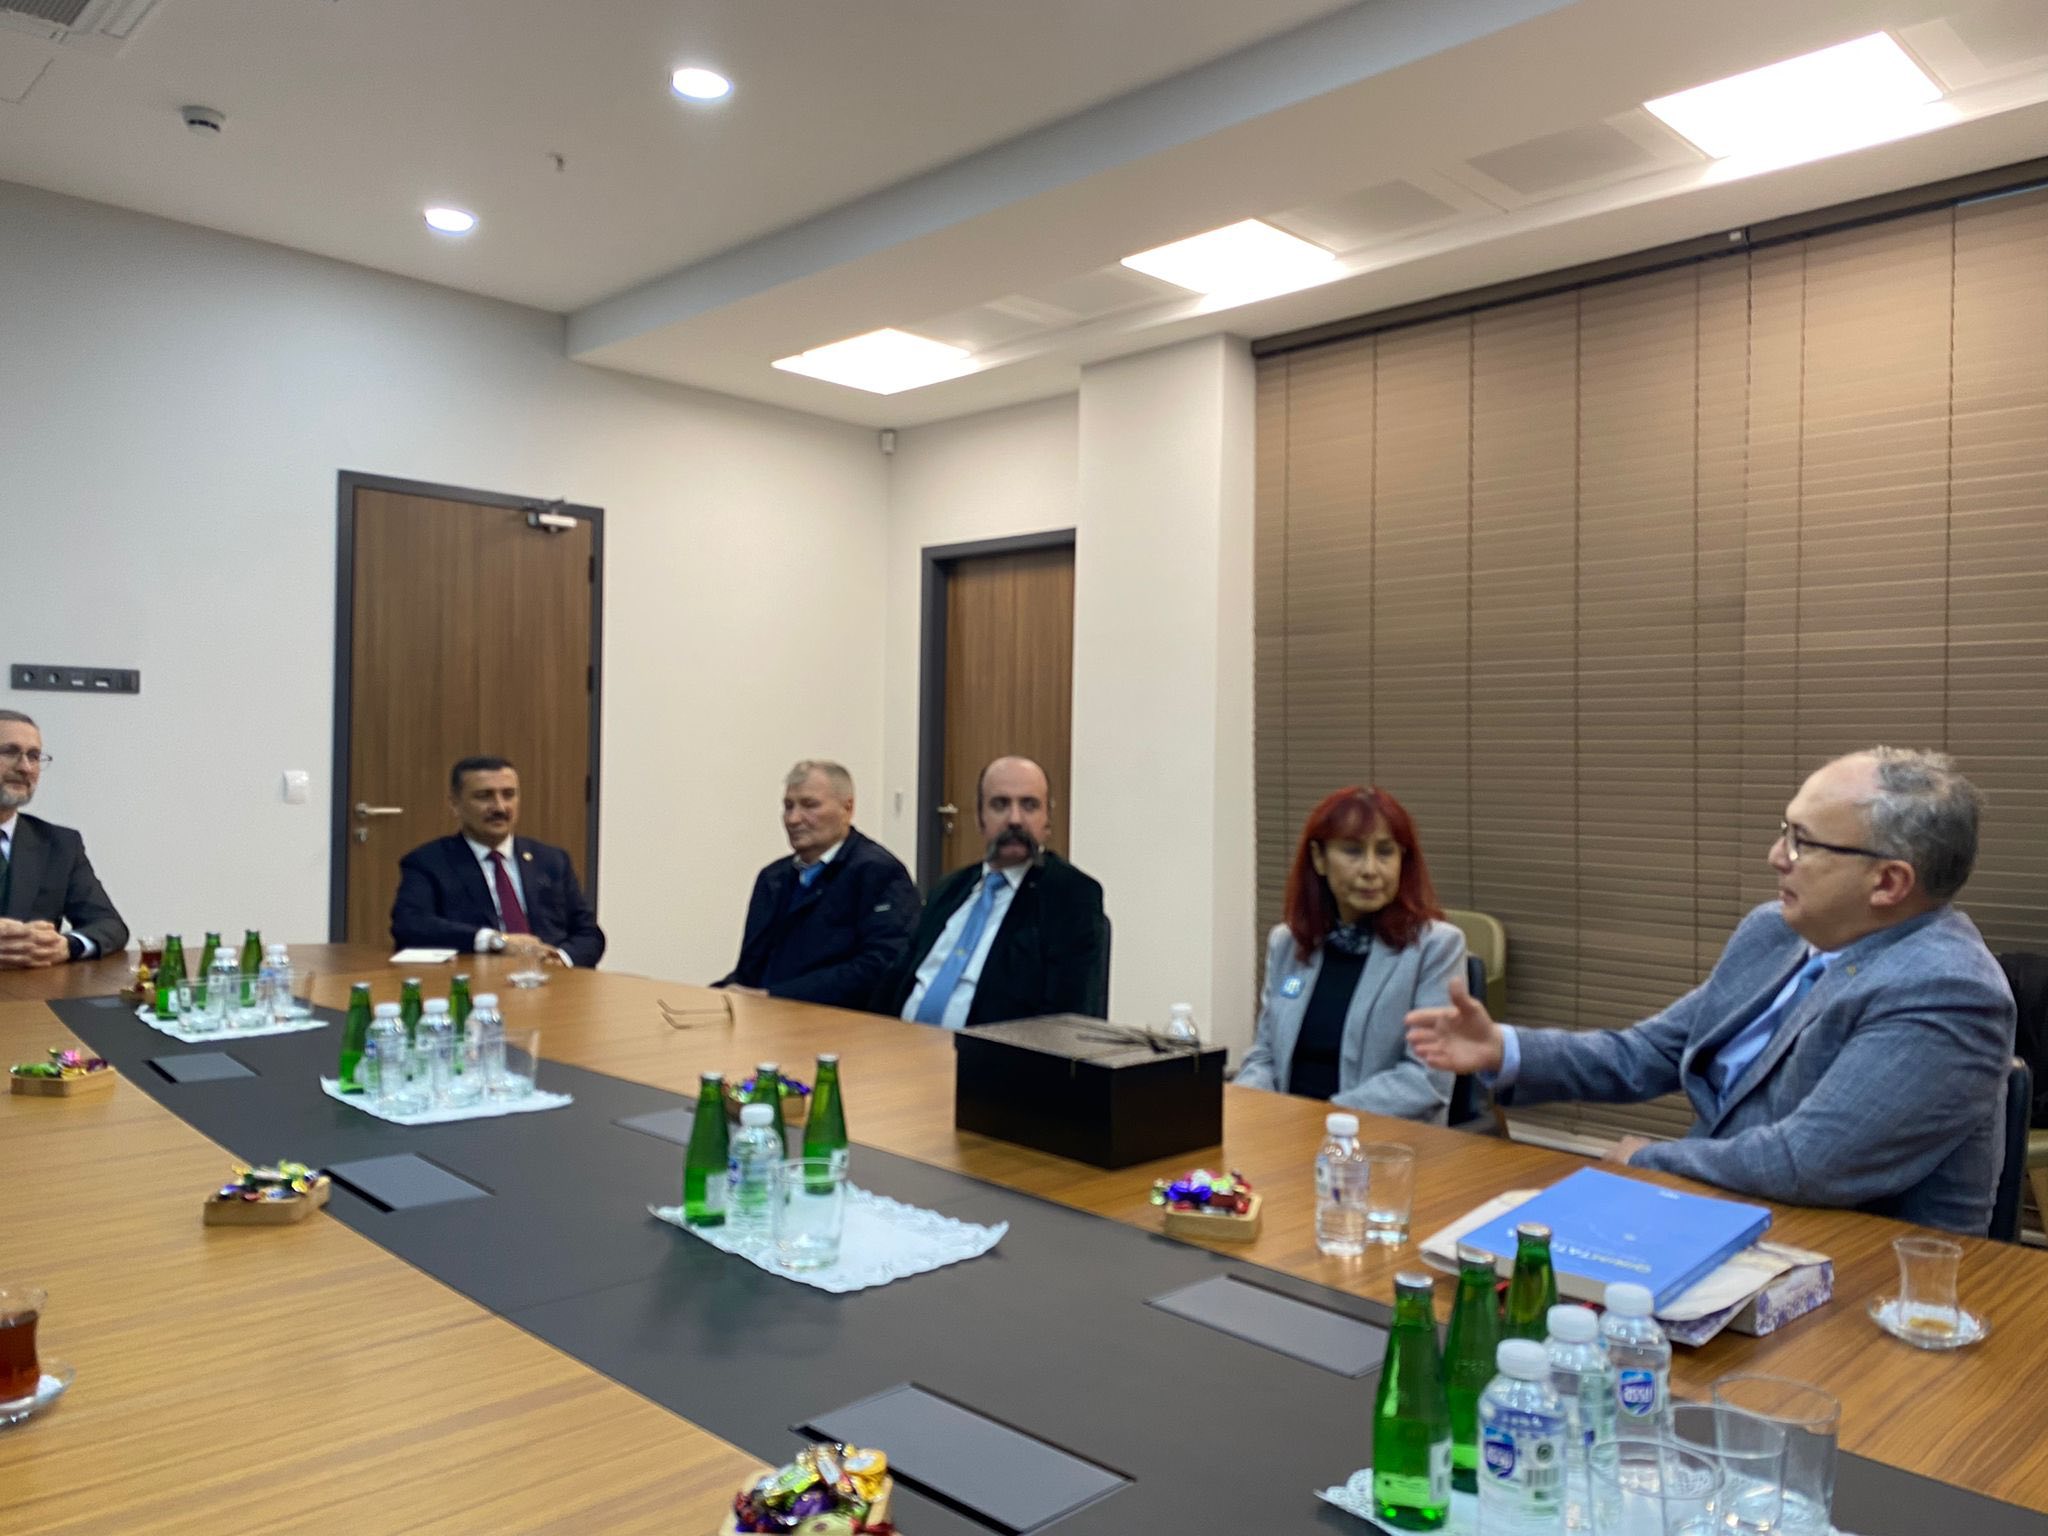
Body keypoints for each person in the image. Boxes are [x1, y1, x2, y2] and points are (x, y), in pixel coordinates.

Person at [1406, 748, 2015, 1234]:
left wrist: (1646, 1160)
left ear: (1888, 882)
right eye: (1785, 830)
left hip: (1855, 1271)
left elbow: (1807, 1163)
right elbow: (1653, 1052)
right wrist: (1505, 1049)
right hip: (1716, 1216)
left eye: (1803, 842)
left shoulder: (1947, 990)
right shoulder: (1776, 932)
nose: (1776, 856)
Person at [1237, 786, 1465, 1122]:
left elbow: (1426, 1080)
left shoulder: (1436, 947)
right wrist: (1244, 1108)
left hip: (1379, 1140)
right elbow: (1265, 1056)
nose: (1370, 869)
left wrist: (1323, 1120)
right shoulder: (1288, 942)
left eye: (1385, 852)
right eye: (1353, 851)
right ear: (1319, 858)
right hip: (1284, 1131)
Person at [875, 755, 1106, 1028]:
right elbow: (895, 980)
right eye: (1000, 804)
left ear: (1047, 820)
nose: (1015, 819)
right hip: (901, 1042)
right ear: (980, 818)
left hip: (984, 1051)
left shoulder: (1069, 895)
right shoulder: (950, 889)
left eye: (1029, 805)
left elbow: (1066, 1017)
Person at [716, 760, 919, 1006]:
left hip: (837, 1020)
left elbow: (882, 965)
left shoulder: (878, 873)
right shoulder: (773, 878)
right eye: (788, 806)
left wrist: (774, 996)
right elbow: (750, 969)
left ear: (847, 808)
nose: (793, 819)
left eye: (809, 805)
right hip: (764, 1013)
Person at [391, 756, 605, 968]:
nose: (500, 807)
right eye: (484, 796)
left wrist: (561, 959)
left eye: (509, 795)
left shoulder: (551, 860)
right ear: (455, 804)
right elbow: (410, 925)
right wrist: (496, 942)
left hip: (554, 978)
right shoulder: (429, 862)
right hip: (480, 978)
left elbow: (589, 933)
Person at [0, 709, 128, 968]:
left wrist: (68, 946)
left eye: (34, 756)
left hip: (33, 989)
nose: (25, 767)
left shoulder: (59, 844)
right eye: (10, 752)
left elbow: (110, 925)